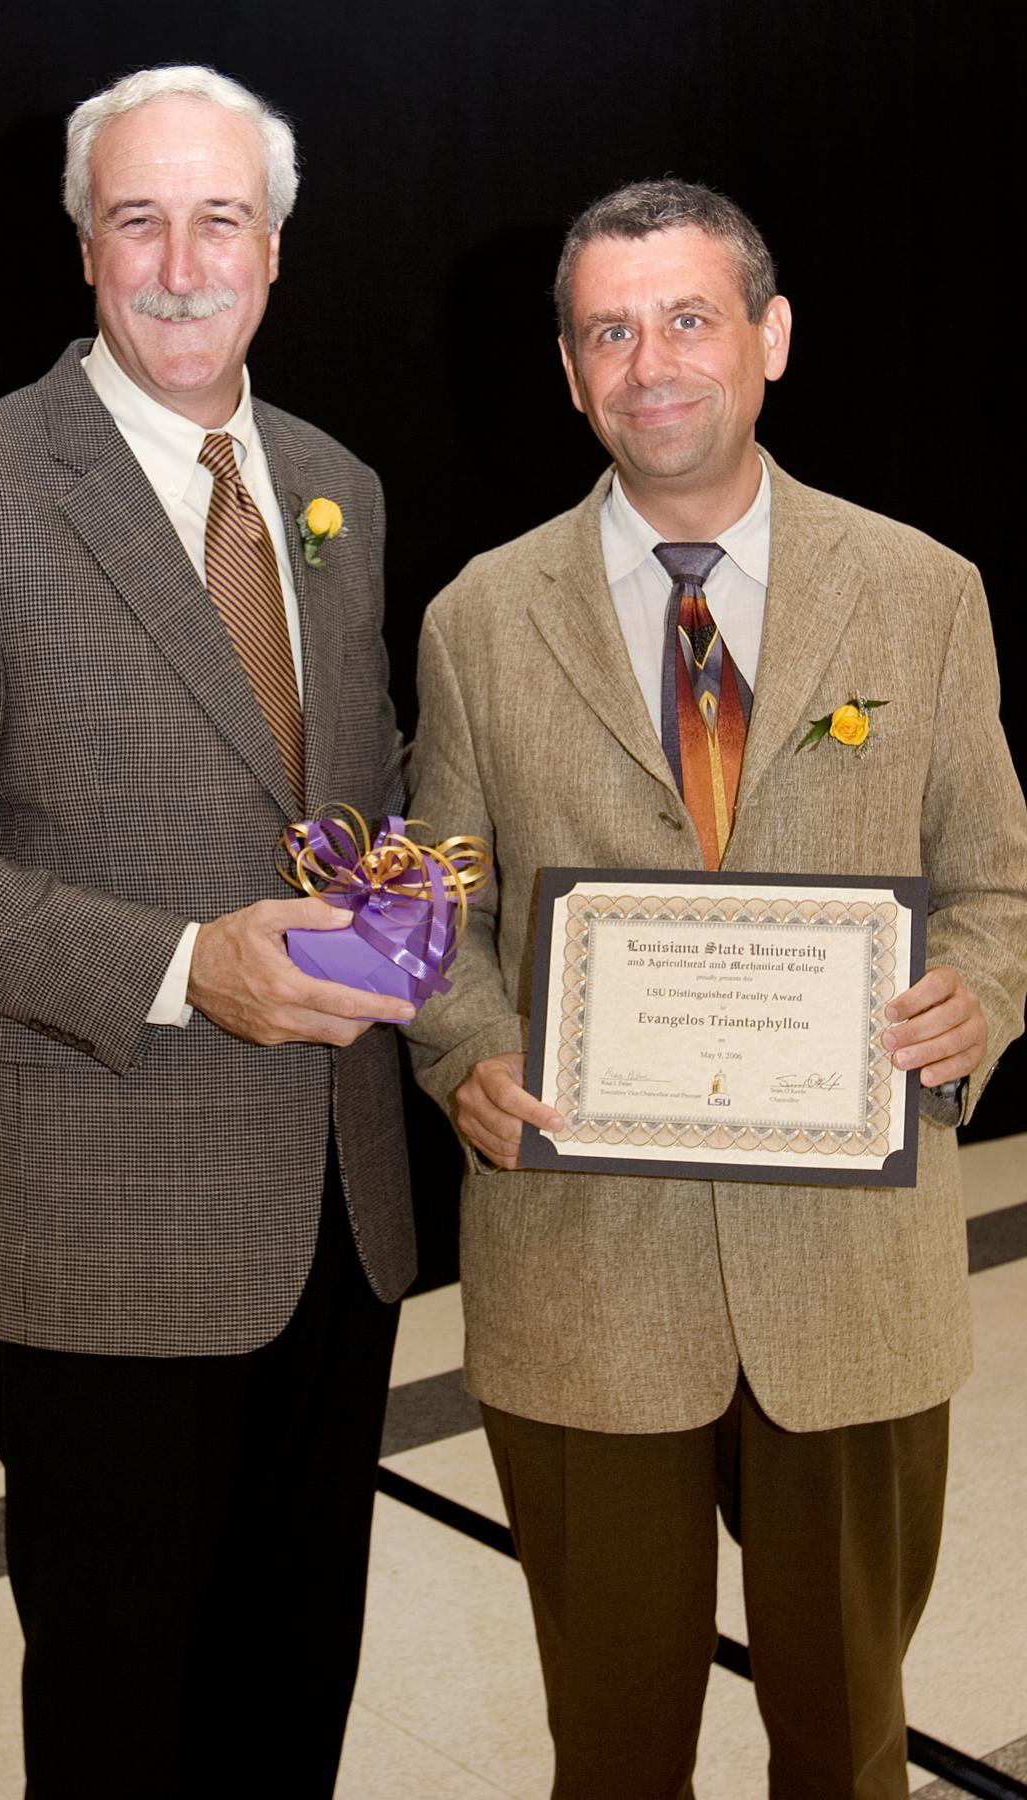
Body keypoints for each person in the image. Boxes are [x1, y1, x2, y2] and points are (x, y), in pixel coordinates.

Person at [0, 64, 416, 1799]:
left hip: (338, 1213)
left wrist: (410, 912)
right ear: (84, 249)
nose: (181, 260)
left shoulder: (336, 488)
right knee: (119, 1720)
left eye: (218, 218)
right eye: (138, 219)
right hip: (97, 1222)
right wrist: (180, 970)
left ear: (275, 251)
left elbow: (346, 797)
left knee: (291, 1693)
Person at [406, 178, 1027, 1799]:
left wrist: (977, 992)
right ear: (567, 372)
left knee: (849, 1745)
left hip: (850, 1280)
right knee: (611, 1752)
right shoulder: (478, 616)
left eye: (688, 317)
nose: (650, 361)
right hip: (583, 1277)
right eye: (608, 331)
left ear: (771, 336)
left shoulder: (923, 591)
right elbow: (436, 907)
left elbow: (995, 882)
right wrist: (462, 1049)